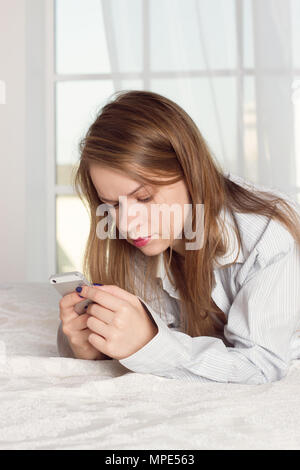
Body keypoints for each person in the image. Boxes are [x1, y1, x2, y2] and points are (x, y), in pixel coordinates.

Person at [57, 90, 300, 384]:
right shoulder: (143, 242)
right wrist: (89, 341)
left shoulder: (267, 236)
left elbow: (261, 365)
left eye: (144, 197)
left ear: (190, 172)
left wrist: (149, 344)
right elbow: (160, 329)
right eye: (113, 205)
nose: (127, 225)